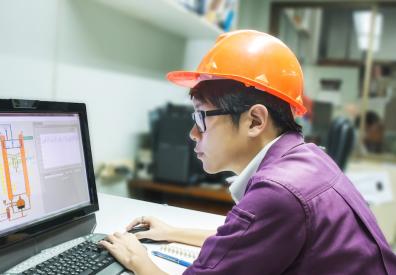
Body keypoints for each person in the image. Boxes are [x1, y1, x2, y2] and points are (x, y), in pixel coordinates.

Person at [99, 30, 396, 274]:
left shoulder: (279, 192)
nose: (192, 132)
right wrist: (172, 232)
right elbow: (248, 242)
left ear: (254, 120)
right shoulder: (309, 159)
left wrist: (138, 259)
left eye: (202, 116)